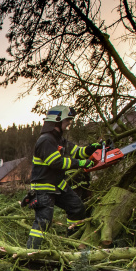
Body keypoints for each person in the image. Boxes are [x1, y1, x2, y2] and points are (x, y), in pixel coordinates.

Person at [25, 105, 101, 249]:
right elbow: (56, 162)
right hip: (43, 187)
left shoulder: (60, 141)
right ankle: (30, 253)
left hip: (57, 185)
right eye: (67, 121)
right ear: (57, 120)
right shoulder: (46, 140)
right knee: (43, 221)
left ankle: (72, 244)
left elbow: (78, 151)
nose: (69, 124)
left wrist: (91, 149)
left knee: (76, 208)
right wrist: (80, 163)